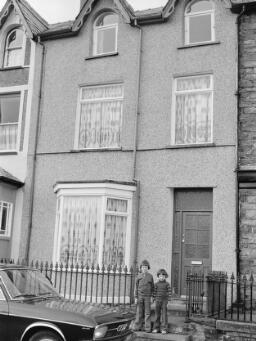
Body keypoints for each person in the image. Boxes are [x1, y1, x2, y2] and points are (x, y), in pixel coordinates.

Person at [133, 259, 154, 333]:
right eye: (143, 267)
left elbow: (152, 287)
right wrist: (135, 297)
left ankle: (147, 328)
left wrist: (152, 296)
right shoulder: (138, 276)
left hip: (147, 297)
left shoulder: (150, 276)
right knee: (139, 312)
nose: (144, 268)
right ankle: (137, 326)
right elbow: (136, 287)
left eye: (146, 267)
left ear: (148, 268)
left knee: (147, 312)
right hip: (140, 297)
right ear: (141, 268)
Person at [152, 268, 172, 334]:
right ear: (158, 276)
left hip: (164, 301)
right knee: (157, 314)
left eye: (163, 276)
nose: (161, 277)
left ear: (165, 276)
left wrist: (169, 300)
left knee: (164, 315)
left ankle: (164, 329)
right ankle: (156, 328)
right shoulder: (156, 284)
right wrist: (153, 299)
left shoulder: (167, 284)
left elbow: (169, 292)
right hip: (157, 301)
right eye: (160, 276)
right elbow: (154, 292)